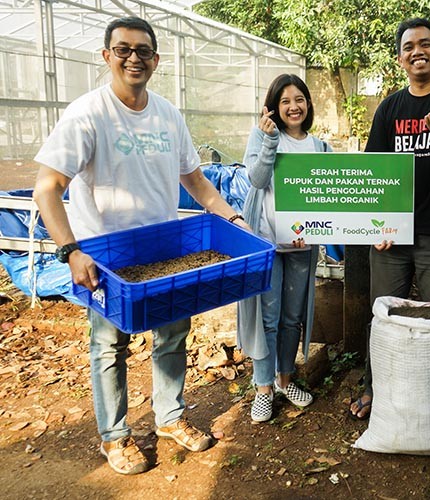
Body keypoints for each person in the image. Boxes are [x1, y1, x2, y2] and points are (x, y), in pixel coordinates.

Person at [32, 17, 249, 475]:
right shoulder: (87, 113)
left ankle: (170, 417)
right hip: (107, 256)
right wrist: (70, 251)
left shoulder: (168, 114)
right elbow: (46, 188)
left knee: (172, 335)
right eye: (124, 49)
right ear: (107, 56)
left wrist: (232, 217)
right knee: (109, 345)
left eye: (143, 51)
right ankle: (115, 435)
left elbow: (197, 182)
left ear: (156, 59)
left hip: (168, 250)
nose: (135, 58)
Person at [348, 17, 430, 420]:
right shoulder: (390, 106)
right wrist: (377, 225)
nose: (417, 51)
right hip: (392, 237)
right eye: (409, 47)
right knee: (383, 316)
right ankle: (376, 388)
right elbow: (374, 172)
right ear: (400, 58)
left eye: (425, 44)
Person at [238, 74, 329, 422]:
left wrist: (323, 227)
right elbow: (258, 179)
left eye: (300, 99)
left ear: (308, 104)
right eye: (286, 101)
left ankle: (285, 379)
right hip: (267, 242)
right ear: (274, 107)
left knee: (293, 318)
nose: (294, 107)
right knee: (268, 318)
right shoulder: (262, 136)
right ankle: (263, 388)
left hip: (302, 246)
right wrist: (270, 140)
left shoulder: (319, 147)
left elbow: (327, 198)